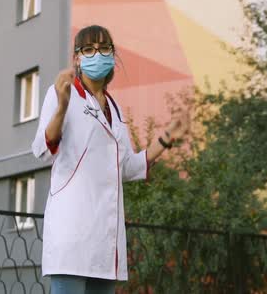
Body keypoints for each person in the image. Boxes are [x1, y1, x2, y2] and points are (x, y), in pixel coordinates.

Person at [31, 25, 190, 294]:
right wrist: (61, 108)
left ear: (113, 55)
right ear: (77, 58)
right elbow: (44, 149)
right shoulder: (62, 94)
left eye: (104, 48)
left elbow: (126, 167)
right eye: (89, 49)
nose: (98, 54)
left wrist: (166, 138)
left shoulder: (114, 110)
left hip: (105, 241)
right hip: (72, 233)